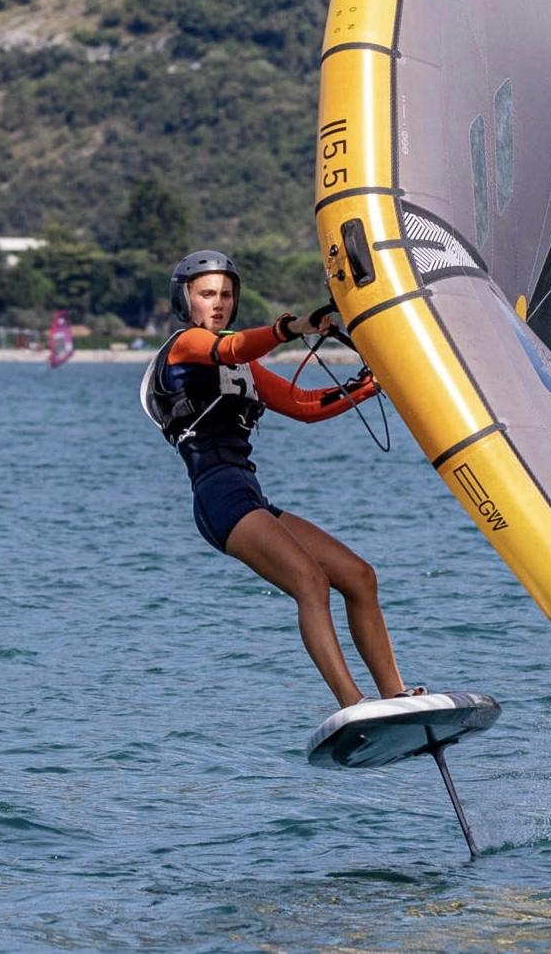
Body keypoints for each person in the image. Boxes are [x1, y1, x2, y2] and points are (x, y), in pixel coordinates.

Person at [143, 249, 420, 710]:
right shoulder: (185, 345)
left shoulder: (242, 367)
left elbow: (304, 406)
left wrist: (371, 384)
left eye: (227, 295)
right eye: (207, 294)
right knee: (309, 582)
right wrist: (291, 328)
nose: (219, 303)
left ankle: (395, 695)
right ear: (185, 299)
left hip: (251, 495)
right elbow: (228, 347)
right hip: (218, 497)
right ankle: (353, 703)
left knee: (358, 576)